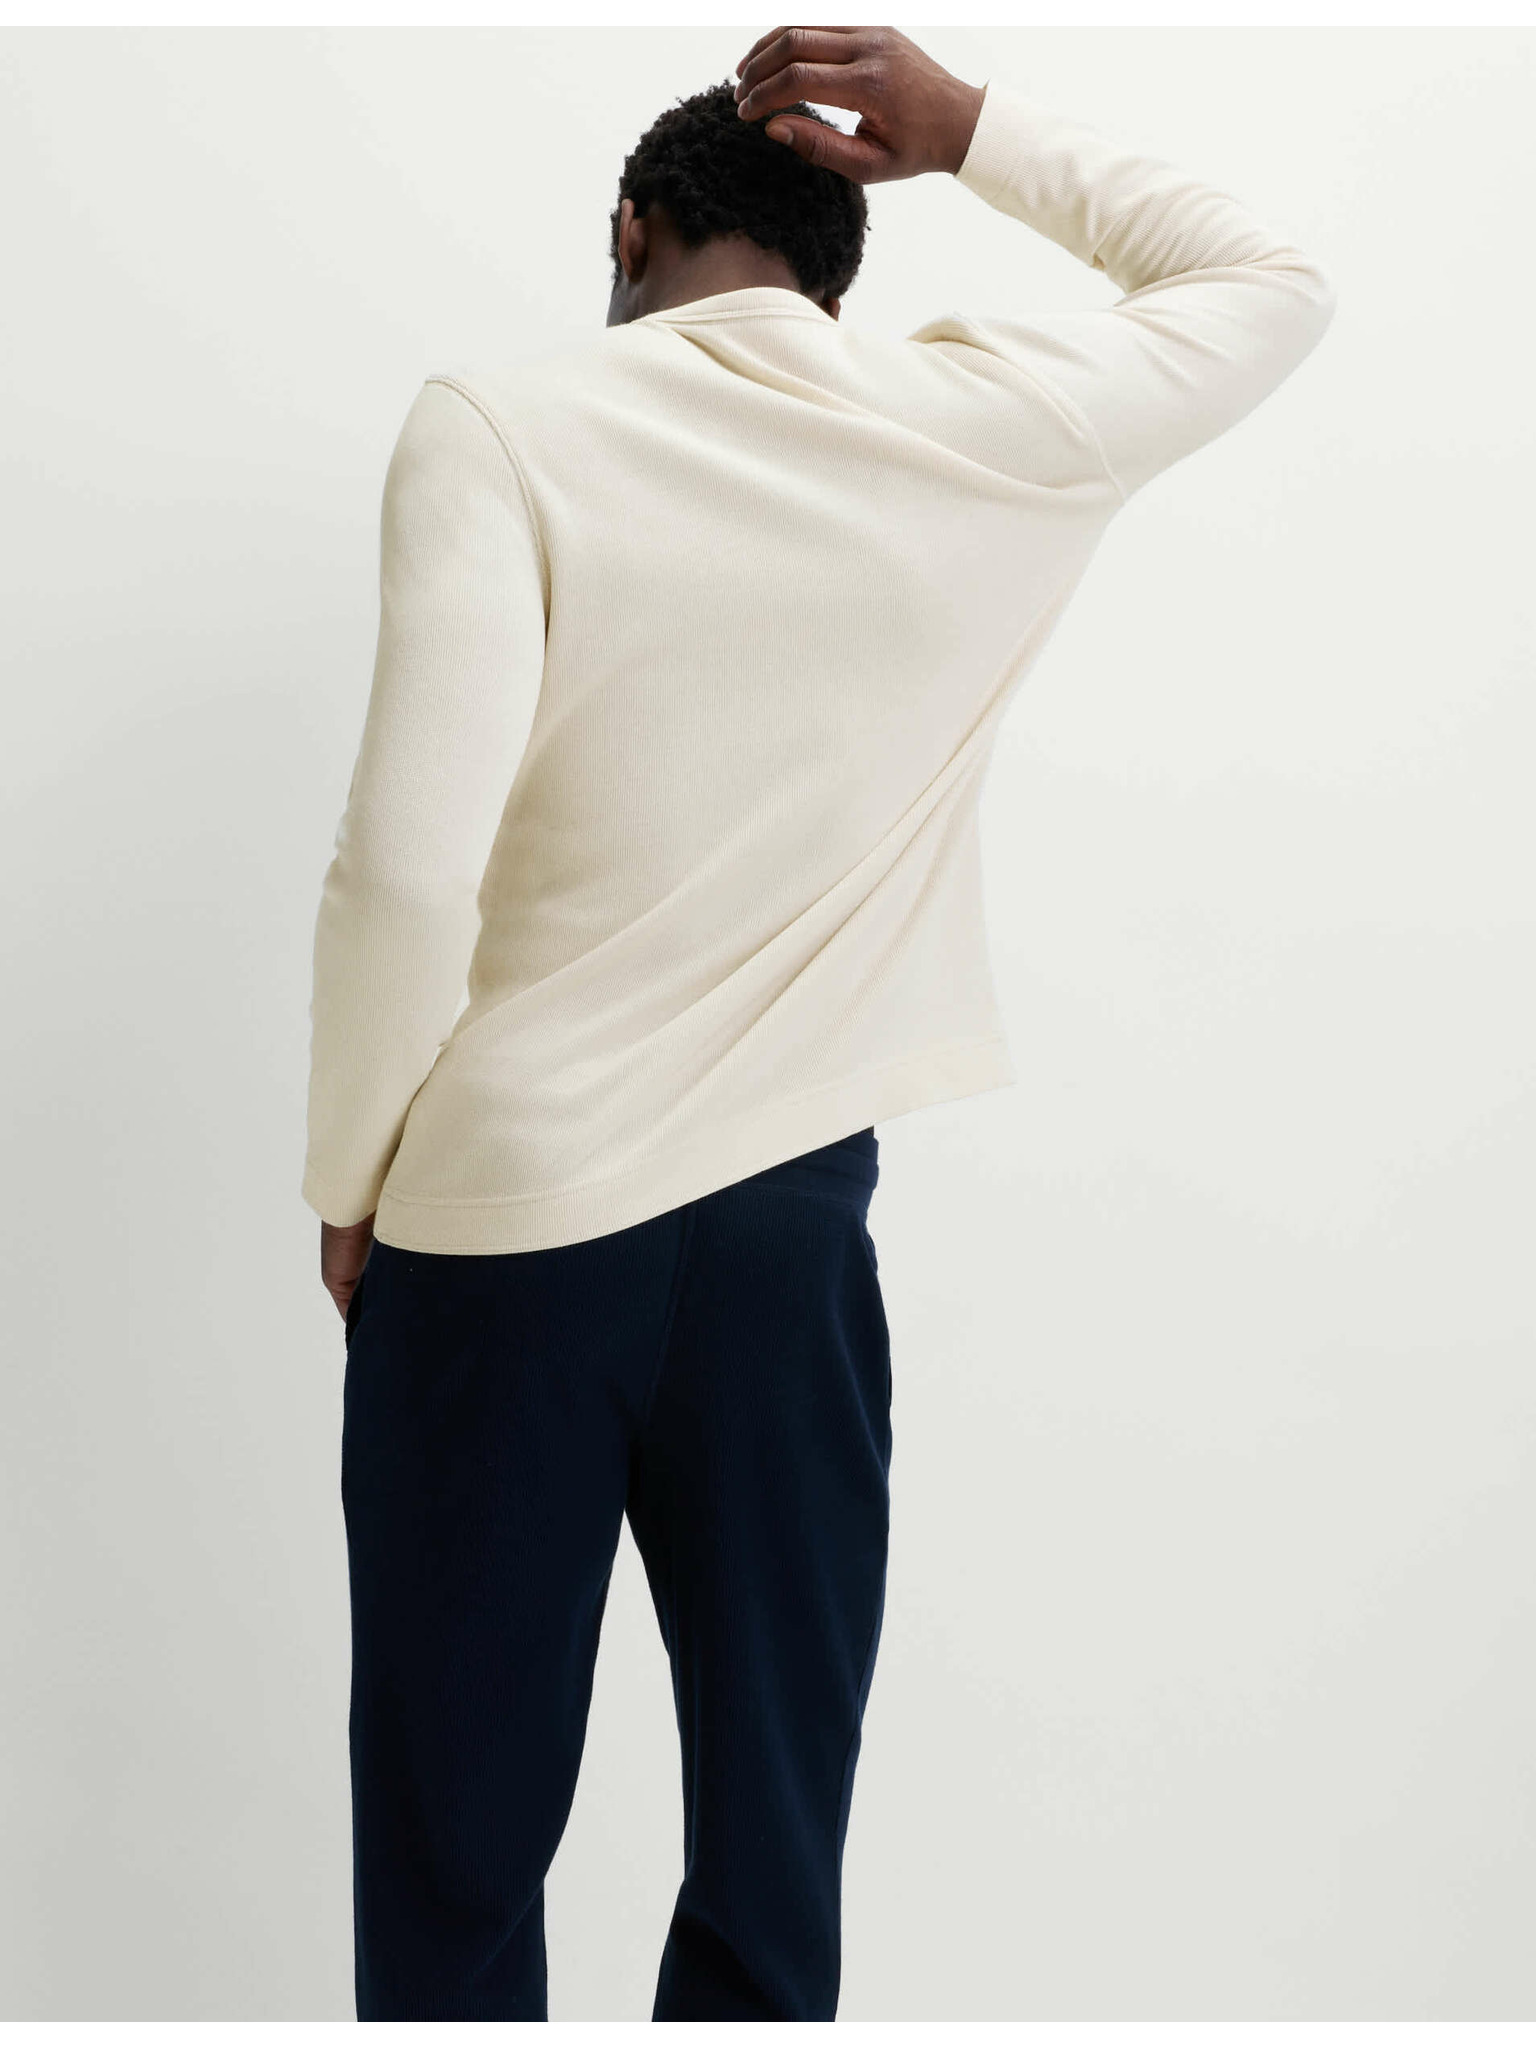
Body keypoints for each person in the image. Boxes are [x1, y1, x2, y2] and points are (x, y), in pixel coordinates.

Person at [301, 24, 1334, 2022]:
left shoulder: (503, 424)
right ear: (838, 268)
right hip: (787, 1242)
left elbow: (406, 873)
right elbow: (1271, 281)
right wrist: (973, 132)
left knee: (451, 1853)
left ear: (631, 230)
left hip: (500, 1229)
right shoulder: (979, 426)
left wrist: (353, 1177)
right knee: (773, 1862)